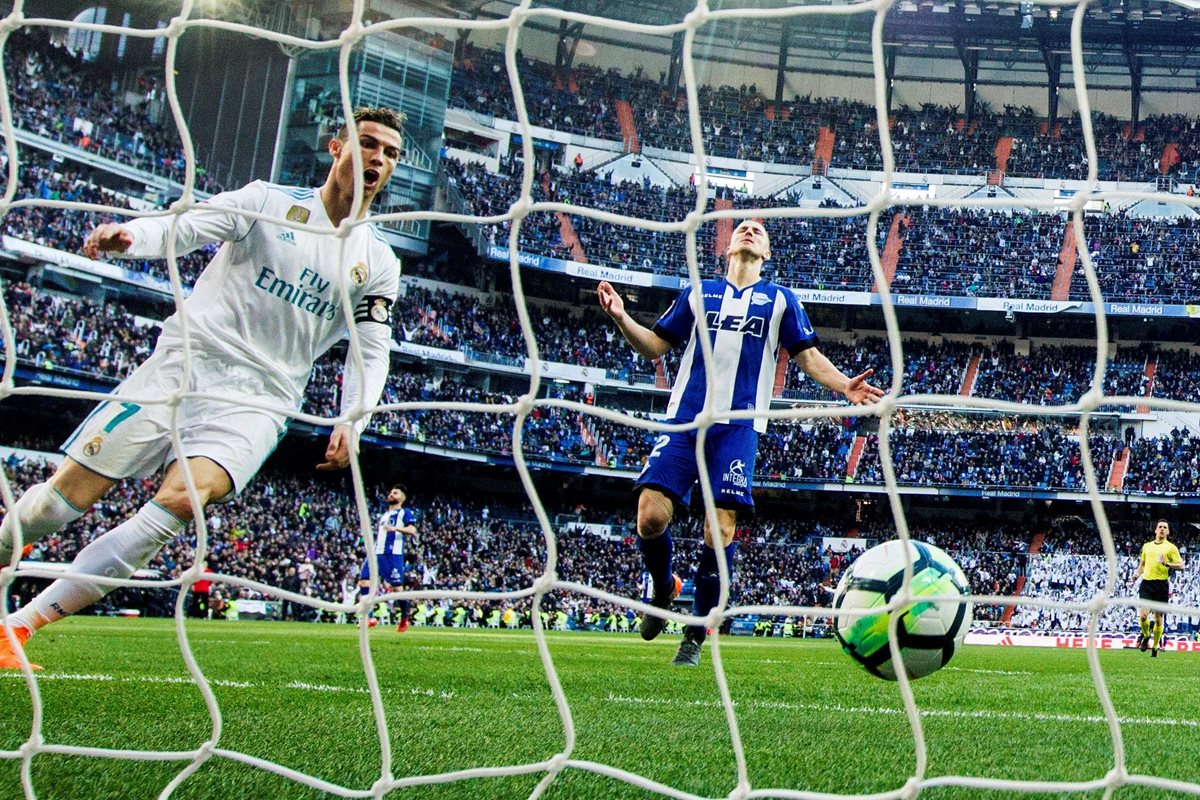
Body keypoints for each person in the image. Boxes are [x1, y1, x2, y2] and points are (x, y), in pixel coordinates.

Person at [0, 106, 406, 669]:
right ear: (337, 148)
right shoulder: (267, 202)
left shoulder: (379, 261)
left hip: (259, 401)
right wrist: (132, 236)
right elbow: (185, 225)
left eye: (389, 153)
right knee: (53, 507)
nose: (378, 158)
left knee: (184, 497)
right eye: (368, 143)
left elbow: (371, 348)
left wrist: (353, 417)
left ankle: (18, 628)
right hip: (183, 368)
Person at [596, 218, 883, 667]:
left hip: (739, 428)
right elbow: (654, 347)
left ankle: (694, 633)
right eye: (743, 227)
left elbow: (806, 356)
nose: (750, 231)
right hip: (684, 422)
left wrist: (845, 385)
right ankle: (662, 584)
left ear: (766, 254)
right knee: (650, 517)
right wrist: (620, 317)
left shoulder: (780, 300)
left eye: (759, 231)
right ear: (727, 246)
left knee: (721, 528)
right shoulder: (697, 293)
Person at [358, 482, 418, 632]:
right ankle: (369, 617)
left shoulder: (405, 512)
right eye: (391, 492)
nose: (391, 495)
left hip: (392, 554)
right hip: (376, 553)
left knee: (398, 589)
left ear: (402, 498)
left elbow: (412, 530)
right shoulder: (384, 515)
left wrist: (395, 528)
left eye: (396, 493)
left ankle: (404, 617)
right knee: (364, 581)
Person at [1134, 519, 1184, 657]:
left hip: (1161, 585)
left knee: (1158, 619)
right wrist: (1137, 574)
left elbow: (1181, 565)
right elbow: (1142, 564)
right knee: (1143, 615)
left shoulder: (1171, 548)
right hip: (1147, 583)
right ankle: (1145, 636)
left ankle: (1155, 647)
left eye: (1165, 527)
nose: (1162, 529)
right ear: (1155, 530)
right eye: (1160, 527)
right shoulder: (1147, 546)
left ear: (1167, 531)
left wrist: (1167, 564)